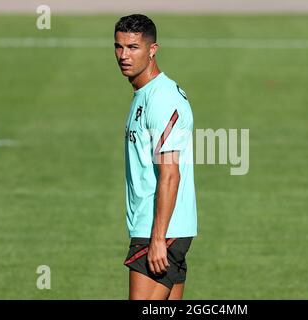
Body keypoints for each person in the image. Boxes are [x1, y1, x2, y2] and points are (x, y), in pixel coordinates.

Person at [114, 14, 197, 300]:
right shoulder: (145, 94)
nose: (124, 55)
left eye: (133, 47)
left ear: (152, 50)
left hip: (159, 229)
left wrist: (158, 239)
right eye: (119, 46)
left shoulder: (161, 99)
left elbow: (170, 174)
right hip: (160, 227)